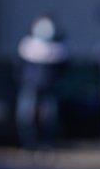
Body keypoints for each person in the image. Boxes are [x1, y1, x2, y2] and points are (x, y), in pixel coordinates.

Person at [16, 15, 68, 150]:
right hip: (31, 87)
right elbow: (20, 68)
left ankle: (47, 143)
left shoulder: (58, 49)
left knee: (50, 117)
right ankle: (29, 144)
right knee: (26, 116)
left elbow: (62, 70)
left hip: (49, 88)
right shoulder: (27, 46)